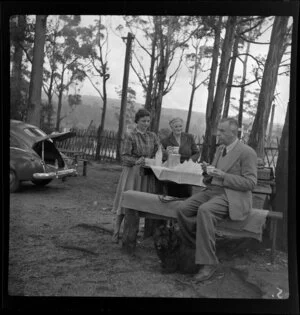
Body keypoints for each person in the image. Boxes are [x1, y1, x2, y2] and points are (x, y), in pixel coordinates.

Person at [176, 117, 257, 282]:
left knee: (205, 210)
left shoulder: (247, 152)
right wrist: (207, 172)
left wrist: (224, 176)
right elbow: (213, 176)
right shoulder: (220, 149)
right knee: (182, 209)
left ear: (234, 133)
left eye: (222, 131)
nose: (217, 134)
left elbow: (250, 183)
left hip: (233, 196)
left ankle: (209, 263)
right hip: (214, 191)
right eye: (218, 130)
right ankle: (196, 247)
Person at [112, 108, 160, 243]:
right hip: (132, 173)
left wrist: (166, 154)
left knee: (140, 203)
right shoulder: (130, 136)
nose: (146, 123)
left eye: (148, 121)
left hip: (146, 174)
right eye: (143, 121)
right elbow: (124, 157)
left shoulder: (153, 136)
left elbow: (158, 152)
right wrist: (136, 161)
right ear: (137, 121)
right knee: (125, 201)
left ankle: (134, 232)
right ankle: (116, 232)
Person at [161, 117, 199, 197]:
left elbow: (196, 153)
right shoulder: (165, 141)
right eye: (176, 127)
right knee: (172, 193)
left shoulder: (189, 137)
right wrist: (167, 153)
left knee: (186, 194)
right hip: (173, 170)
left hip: (186, 169)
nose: (179, 128)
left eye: (180, 126)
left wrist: (189, 162)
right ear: (171, 127)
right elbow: (162, 158)